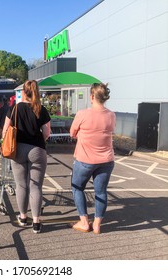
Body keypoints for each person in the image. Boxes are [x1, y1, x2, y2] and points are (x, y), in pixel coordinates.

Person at [2, 80, 51, 233]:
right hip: (37, 149)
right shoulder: (41, 109)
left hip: (18, 149)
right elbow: (47, 133)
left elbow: (5, 131)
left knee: (21, 185)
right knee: (35, 186)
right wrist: (37, 141)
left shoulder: (15, 108)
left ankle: (23, 217)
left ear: (23, 92)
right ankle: (36, 222)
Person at [69, 83, 115, 234]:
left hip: (85, 159)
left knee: (77, 188)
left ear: (92, 96)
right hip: (107, 160)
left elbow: (72, 133)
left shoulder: (82, 114)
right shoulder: (111, 115)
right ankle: (97, 224)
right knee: (101, 192)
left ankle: (84, 222)